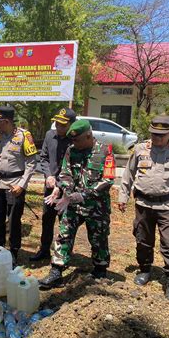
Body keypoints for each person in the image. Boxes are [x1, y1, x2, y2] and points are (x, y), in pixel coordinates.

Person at [118, 115, 169, 303]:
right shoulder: (139, 149)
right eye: (154, 134)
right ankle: (145, 269)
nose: (157, 139)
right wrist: (123, 197)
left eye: (161, 135)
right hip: (143, 204)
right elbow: (128, 174)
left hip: (167, 205)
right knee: (143, 239)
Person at [39, 120, 116, 288]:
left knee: (98, 238)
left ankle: (100, 270)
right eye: (72, 140)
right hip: (72, 203)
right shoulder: (71, 151)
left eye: (77, 140)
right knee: (64, 235)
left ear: (88, 136)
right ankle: (57, 271)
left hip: (97, 206)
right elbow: (65, 174)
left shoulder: (105, 151)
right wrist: (66, 191)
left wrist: (83, 195)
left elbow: (108, 180)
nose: (74, 143)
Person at [0, 106, 37, 262]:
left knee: (13, 221)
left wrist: (22, 185)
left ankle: (13, 252)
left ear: (6, 121)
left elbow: (31, 163)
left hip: (14, 186)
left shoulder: (24, 136)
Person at [30, 107, 76, 262]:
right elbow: (43, 158)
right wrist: (48, 175)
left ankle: (64, 254)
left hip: (68, 188)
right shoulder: (50, 135)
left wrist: (61, 184)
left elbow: (76, 167)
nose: (59, 127)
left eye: (63, 125)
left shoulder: (76, 140)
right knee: (47, 219)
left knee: (66, 222)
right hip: (50, 187)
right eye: (57, 123)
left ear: (71, 125)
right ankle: (44, 250)